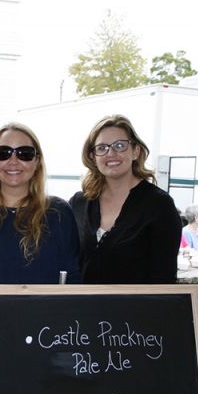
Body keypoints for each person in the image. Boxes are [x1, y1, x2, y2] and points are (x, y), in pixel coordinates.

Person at [0, 122, 81, 285]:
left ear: (37, 161)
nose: (13, 161)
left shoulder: (59, 213)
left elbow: (73, 276)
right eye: (3, 153)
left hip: (45, 311)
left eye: (24, 153)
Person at [69, 114, 182, 284]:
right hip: (80, 308)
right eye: (102, 148)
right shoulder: (79, 203)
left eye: (120, 145)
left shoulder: (159, 206)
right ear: (93, 156)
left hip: (135, 309)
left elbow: (164, 278)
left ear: (135, 151)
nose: (111, 153)